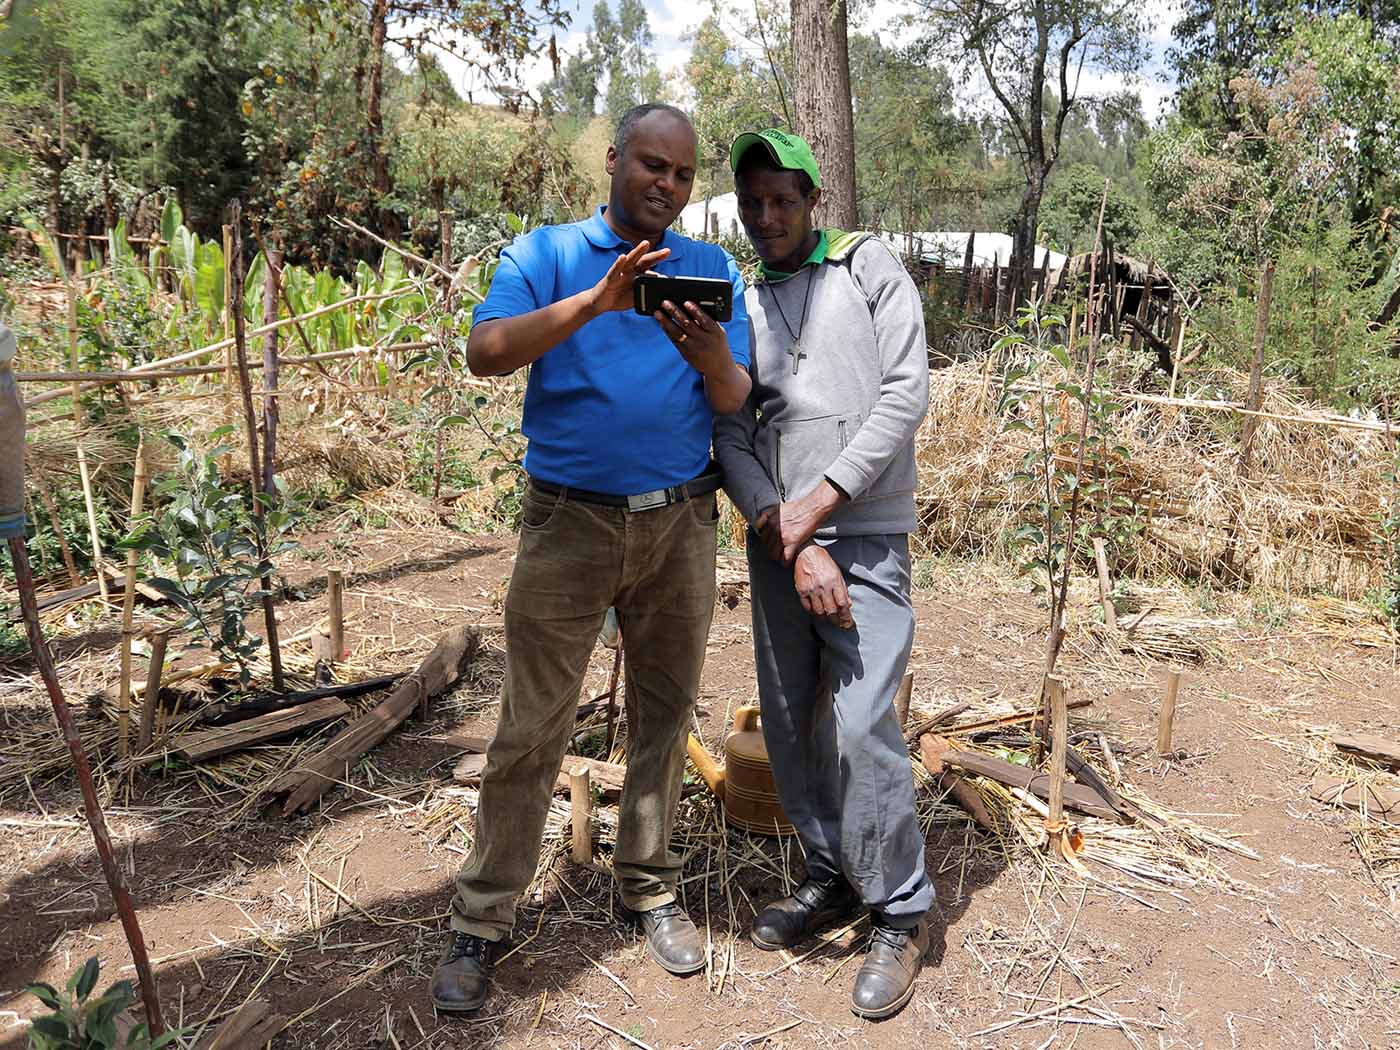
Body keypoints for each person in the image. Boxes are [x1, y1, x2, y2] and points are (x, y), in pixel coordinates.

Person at [431, 103, 752, 1013]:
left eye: (684, 175)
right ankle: (483, 919)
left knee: (662, 716)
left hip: (680, 524)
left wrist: (712, 353)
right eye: (653, 164)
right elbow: (484, 352)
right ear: (614, 160)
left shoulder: (710, 270)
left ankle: (647, 885)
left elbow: (733, 397)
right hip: (567, 524)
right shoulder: (546, 255)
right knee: (533, 725)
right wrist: (596, 303)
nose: (668, 185)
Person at [713, 128, 934, 1020]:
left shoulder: (869, 267)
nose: (768, 216)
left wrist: (825, 506)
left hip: (866, 533)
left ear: (814, 202)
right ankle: (832, 873)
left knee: (859, 721)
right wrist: (788, 529)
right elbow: (730, 429)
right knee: (793, 718)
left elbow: (905, 393)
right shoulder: (742, 299)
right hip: (778, 543)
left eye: (784, 200)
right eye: (754, 201)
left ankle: (901, 910)